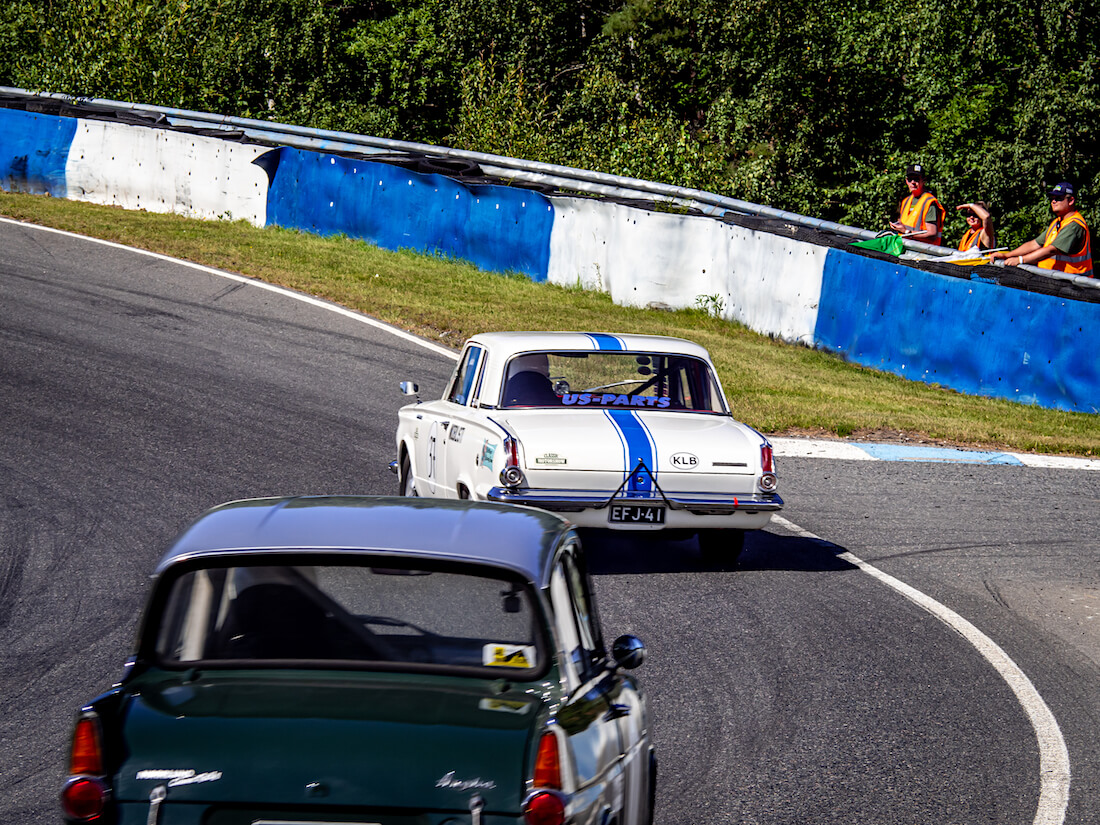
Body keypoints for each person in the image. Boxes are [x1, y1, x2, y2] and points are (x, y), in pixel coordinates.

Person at [990, 182, 1093, 277]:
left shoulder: (1074, 225)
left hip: (1074, 286)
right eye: (1052, 198)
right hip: (1056, 281)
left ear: (1071, 201)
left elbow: (1051, 250)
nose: (1053, 201)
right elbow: (1034, 244)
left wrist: (1020, 260)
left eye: (1058, 198)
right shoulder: (1057, 222)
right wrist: (1007, 255)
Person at [889, 164, 943, 245]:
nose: (913, 182)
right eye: (910, 179)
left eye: (916, 179)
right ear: (906, 181)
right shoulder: (906, 201)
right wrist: (898, 227)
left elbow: (932, 234)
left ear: (923, 180)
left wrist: (907, 232)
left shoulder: (929, 202)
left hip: (923, 251)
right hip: (906, 248)